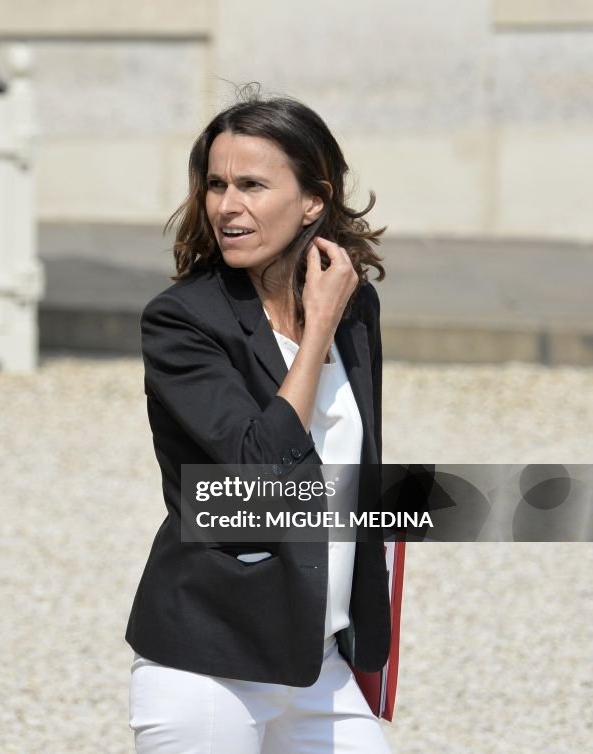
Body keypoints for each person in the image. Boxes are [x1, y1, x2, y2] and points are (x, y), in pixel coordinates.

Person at [125, 89, 392, 753]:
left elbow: (353, 475)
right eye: (216, 184)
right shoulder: (182, 320)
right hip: (208, 664)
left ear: (313, 199)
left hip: (319, 664)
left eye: (251, 184)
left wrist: (533, 503)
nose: (226, 206)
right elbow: (256, 471)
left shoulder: (357, 308)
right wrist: (318, 327)